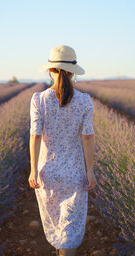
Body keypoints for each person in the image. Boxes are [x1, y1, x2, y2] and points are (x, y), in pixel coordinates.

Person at [29, 45, 97, 256]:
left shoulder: (38, 100)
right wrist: (91, 170)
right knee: (69, 229)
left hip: (47, 173)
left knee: (57, 227)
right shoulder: (84, 101)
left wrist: (32, 170)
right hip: (74, 174)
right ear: (72, 72)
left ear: (51, 70)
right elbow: (87, 137)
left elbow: (35, 136)